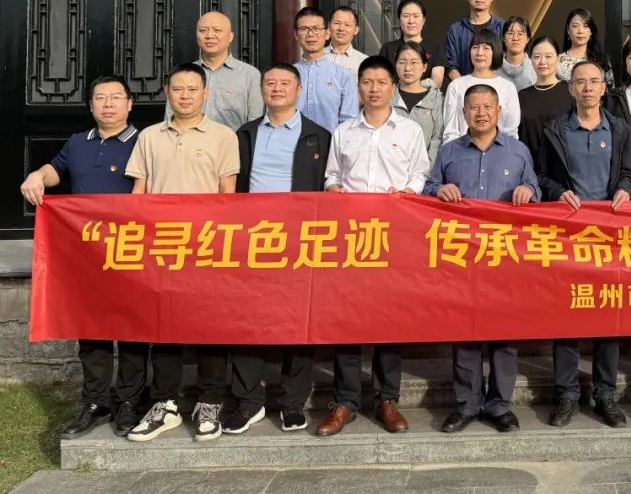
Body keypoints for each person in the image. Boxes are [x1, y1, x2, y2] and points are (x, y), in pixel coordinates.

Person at [20, 75, 147, 438]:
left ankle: (130, 401)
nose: (108, 104)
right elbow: (55, 170)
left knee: (133, 330)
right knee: (91, 330)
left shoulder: (146, 141)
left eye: (116, 97)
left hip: (130, 251)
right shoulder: (78, 142)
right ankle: (95, 401)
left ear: (129, 104)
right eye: (100, 98)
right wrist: (36, 175)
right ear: (91, 105)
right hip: (86, 253)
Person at [125, 63, 240, 443]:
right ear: (167, 93)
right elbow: (138, 193)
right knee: (164, 326)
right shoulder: (149, 137)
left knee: (211, 328)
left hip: (207, 246)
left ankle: (209, 402)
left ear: (206, 94)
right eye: (178, 89)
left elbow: (228, 195)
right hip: (162, 246)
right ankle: (165, 404)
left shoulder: (223, 136)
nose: (185, 95)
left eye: (193, 89)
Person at [316, 56, 431, 437]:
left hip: (394, 236)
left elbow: (420, 172)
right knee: (346, 318)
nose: (374, 89)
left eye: (382, 82)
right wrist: (334, 188)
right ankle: (345, 401)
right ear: (359, 87)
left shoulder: (410, 130)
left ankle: (386, 398)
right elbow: (332, 174)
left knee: (389, 316)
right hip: (351, 238)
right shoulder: (344, 131)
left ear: (393, 87)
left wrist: (408, 192)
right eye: (367, 82)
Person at [424, 84, 541, 434]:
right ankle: (467, 404)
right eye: (473, 107)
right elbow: (427, 188)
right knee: (466, 333)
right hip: (462, 258)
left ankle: (500, 406)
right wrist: (439, 190)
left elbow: (535, 188)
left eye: (487, 106)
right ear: (463, 113)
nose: (481, 113)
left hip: (505, 257)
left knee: (504, 334)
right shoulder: (449, 152)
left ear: (499, 111)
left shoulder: (518, 151)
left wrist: (528, 191)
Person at [225, 64, 331, 435]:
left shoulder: (319, 136)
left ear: (299, 91)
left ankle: (292, 403)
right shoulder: (245, 133)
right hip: (252, 239)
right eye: (270, 83)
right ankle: (248, 400)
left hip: (300, 241)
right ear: (261, 90)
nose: (277, 88)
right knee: (246, 320)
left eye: (285, 83)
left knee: (298, 322)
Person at [537, 61, 631, 429]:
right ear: (571, 89)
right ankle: (567, 393)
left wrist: (624, 188)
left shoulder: (619, 128)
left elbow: (627, 172)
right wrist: (558, 192)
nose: (588, 88)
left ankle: (605, 394)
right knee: (568, 313)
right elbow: (542, 176)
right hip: (569, 233)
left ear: (604, 88)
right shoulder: (554, 130)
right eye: (581, 82)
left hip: (608, 233)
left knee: (608, 314)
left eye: (594, 82)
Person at [165, 11, 262, 130]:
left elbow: (255, 124)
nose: (209, 35)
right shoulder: (183, 74)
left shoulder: (250, 75)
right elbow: (170, 120)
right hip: (186, 140)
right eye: (203, 30)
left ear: (230, 36)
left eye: (217, 30)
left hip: (232, 141)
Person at [441, 29, 521, 142]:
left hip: (499, 151)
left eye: (486, 48)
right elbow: (450, 132)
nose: (479, 53)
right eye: (475, 47)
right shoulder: (456, 85)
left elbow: (511, 132)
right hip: (462, 150)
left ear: (495, 51)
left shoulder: (508, 87)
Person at [292, 6, 360, 133]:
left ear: (327, 33)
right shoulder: (287, 75)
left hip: (330, 143)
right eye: (304, 29)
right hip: (292, 142)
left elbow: (349, 122)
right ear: (296, 34)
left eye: (316, 29)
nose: (310, 34)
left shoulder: (344, 75)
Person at [517, 36, 573, 163]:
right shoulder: (522, 95)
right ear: (531, 60)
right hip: (529, 166)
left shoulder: (570, 92)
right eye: (537, 57)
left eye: (548, 56)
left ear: (558, 59)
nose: (542, 62)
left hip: (563, 166)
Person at [390, 41, 444, 164]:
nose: (407, 68)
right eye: (402, 62)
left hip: (425, 170)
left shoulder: (436, 99)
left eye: (414, 62)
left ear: (424, 67)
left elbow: (437, 139)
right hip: (390, 169)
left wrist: (426, 171)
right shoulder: (388, 96)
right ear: (396, 65)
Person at [445, 0, 505, 80]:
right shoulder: (455, 30)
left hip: (496, 87)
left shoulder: (503, 27)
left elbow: (509, 61)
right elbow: (451, 66)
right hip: (464, 88)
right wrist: (464, 85)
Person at [377, 0, 446, 88]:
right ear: (399, 20)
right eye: (406, 16)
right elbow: (381, 78)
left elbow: (437, 81)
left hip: (426, 95)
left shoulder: (435, 48)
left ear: (423, 20)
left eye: (416, 16)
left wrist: (415, 88)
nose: (411, 21)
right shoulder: (388, 48)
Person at [556, 7, 614, 85]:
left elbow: (610, 88)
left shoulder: (602, 60)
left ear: (591, 31)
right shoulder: (558, 61)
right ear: (568, 30)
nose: (580, 31)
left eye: (585, 26)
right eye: (575, 26)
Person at [325, 5, 368, 76]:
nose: (341, 28)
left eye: (347, 25)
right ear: (329, 26)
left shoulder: (364, 62)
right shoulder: (316, 56)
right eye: (337, 23)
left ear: (356, 30)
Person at [498, 15, 537, 91]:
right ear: (503, 38)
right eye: (510, 33)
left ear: (528, 39)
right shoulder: (493, 69)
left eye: (520, 34)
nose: (515, 38)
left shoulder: (536, 69)